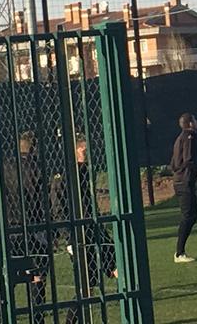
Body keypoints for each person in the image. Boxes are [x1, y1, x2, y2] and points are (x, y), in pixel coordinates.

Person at [0, 132, 49, 324]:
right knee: (38, 276)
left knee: (10, 275)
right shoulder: (37, 168)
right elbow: (43, 198)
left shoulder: (5, 167)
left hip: (11, 228)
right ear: (34, 148)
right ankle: (37, 317)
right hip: (33, 226)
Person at [65, 135, 114, 324]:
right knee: (88, 282)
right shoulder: (70, 174)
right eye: (83, 150)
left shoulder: (86, 171)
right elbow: (62, 205)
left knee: (113, 257)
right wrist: (67, 235)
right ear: (76, 151)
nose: (86, 152)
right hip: (79, 232)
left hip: (93, 227)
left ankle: (128, 296)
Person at [170, 112, 197, 262]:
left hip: (180, 181)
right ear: (190, 123)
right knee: (189, 215)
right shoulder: (190, 136)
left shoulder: (179, 138)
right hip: (184, 182)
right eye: (195, 120)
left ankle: (180, 251)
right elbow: (190, 160)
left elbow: (174, 163)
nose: (196, 122)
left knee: (191, 215)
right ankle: (179, 253)